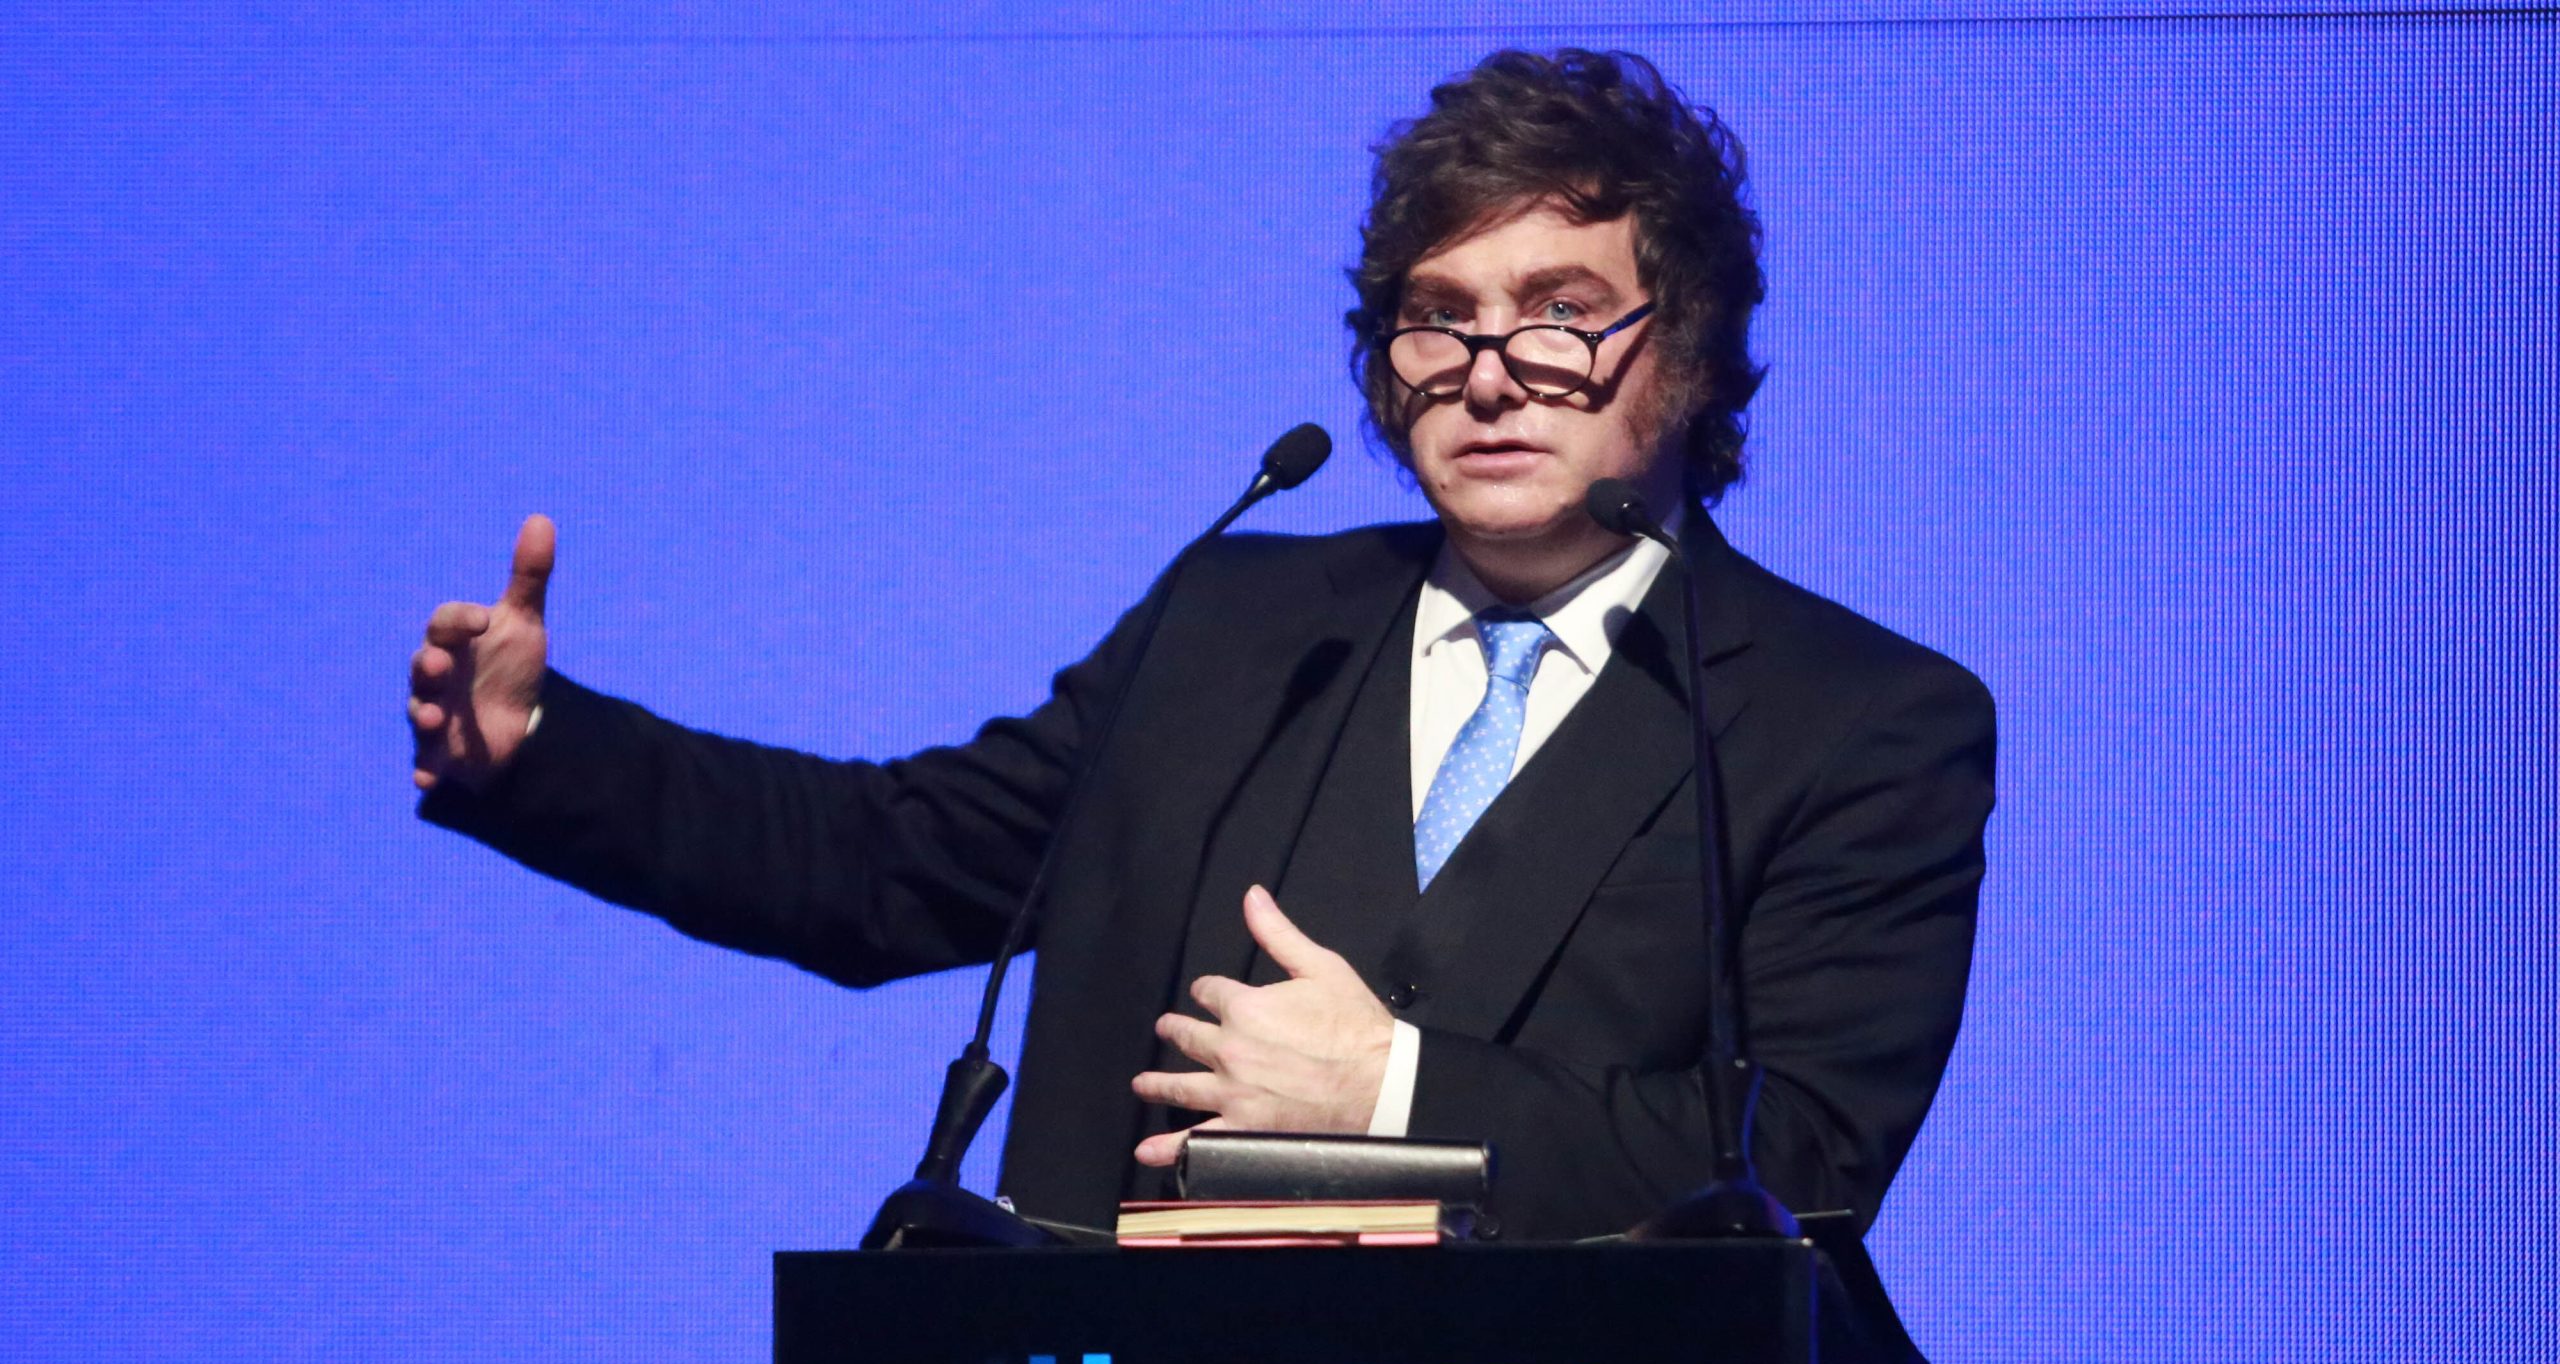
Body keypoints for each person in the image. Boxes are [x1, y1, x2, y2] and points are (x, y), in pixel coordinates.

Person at [409, 46, 1993, 1250]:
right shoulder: (1235, 628)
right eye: (1438, 315)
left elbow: (1803, 1167)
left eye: (1560, 311)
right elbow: (885, 863)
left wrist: (1391, 1092)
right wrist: (541, 748)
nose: (1488, 371)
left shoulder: (1856, 719)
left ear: (1691, 349)